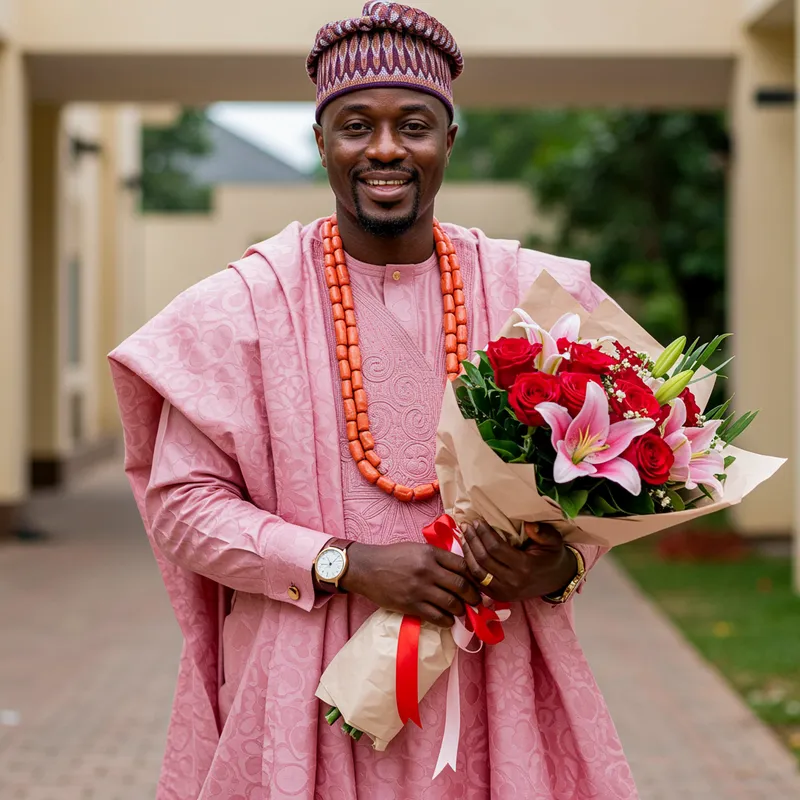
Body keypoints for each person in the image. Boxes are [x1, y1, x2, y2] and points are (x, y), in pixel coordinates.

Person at [110, 3, 638, 798]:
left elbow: (611, 484)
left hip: (494, 673)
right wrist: (344, 563)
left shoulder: (534, 294)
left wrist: (557, 566)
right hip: (304, 688)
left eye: (414, 125)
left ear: (449, 140)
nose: (386, 149)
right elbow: (182, 507)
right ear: (321, 142)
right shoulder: (245, 306)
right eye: (357, 125)